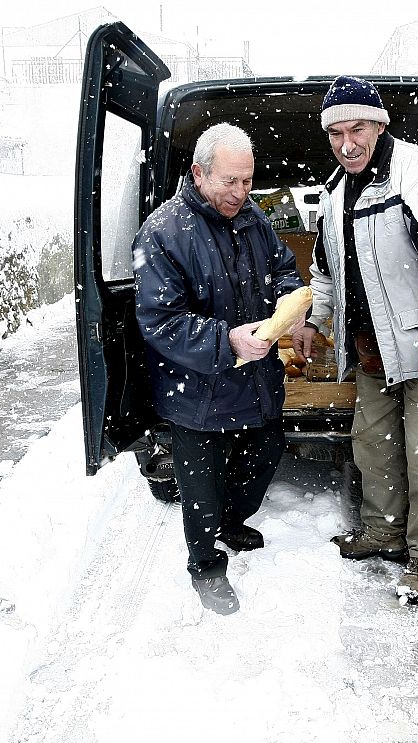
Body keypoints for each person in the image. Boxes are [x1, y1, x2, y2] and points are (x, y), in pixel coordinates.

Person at [292, 76, 418, 603]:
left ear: (380, 125)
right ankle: (383, 531)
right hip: (371, 347)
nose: (347, 143)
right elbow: (327, 268)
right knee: (373, 445)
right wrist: (316, 319)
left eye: (358, 129)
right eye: (336, 133)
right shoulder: (336, 192)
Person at [133, 123, 303, 615]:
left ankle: (231, 520)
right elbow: (159, 320)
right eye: (229, 181)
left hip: (255, 377)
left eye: (248, 181)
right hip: (197, 388)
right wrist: (225, 341)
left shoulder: (254, 219)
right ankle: (205, 565)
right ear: (198, 174)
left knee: (266, 453)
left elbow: (285, 270)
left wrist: (295, 309)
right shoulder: (164, 231)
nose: (240, 193)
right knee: (199, 486)